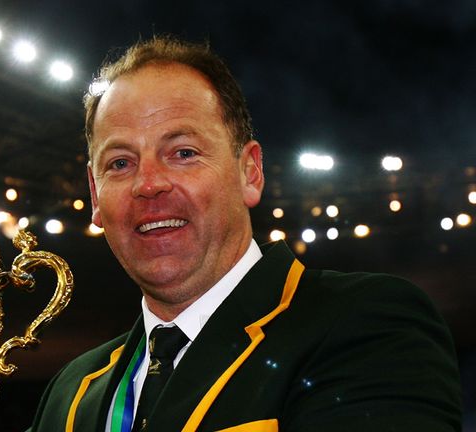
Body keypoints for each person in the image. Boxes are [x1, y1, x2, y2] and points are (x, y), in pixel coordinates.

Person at [28, 36, 462, 432]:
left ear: (249, 173)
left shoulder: (367, 325)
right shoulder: (70, 392)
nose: (149, 184)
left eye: (183, 153)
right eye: (120, 163)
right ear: (96, 196)